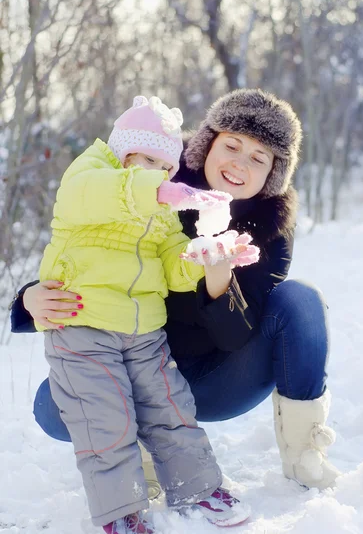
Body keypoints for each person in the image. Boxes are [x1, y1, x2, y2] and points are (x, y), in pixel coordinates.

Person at [11, 89, 340, 502]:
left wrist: (218, 274)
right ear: (207, 144)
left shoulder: (270, 228)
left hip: (215, 378)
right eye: (232, 145)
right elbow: (85, 236)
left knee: (301, 300)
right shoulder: (158, 175)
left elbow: (235, 337)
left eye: (259, 158)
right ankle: (143, 453)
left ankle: (303, 452)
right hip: (132, 366)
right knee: (50, 405)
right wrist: (29, 299)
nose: (240, 163)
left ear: (273, 173)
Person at [27, 95, 253, 534]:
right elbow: (96, 195)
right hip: (83, 325)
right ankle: (122, 507)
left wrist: (205, 255)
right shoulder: (89, 175)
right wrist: (158, 190)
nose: (159, 172)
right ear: (123, 153)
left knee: (171, 409)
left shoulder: (162, 211)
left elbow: (172, 266)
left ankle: (199, 487)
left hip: (144, 331)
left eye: (166, 166)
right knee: (103, 418)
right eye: (147, 159)